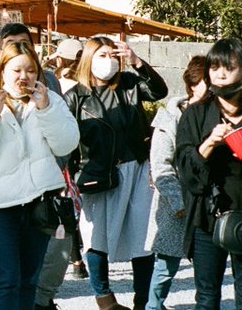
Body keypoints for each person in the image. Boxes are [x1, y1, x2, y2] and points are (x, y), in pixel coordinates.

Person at [0, 39, 80, 310]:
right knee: (7, 279)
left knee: (29, 279)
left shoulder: (50, 99)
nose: (24, 77)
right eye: (16, 71)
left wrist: (47, 109)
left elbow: (66, 144)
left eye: (31, 70)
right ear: (2, 72)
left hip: (39, 201)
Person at [66, 35, 167, 310]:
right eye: (101, 55)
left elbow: (159, 91)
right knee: (96, 238)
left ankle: (143, 300)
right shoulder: (75, 96)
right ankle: (104, 299)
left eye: (112, 55)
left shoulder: (129, 85)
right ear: (88, 58)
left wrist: (137, 62)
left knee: (142, 237)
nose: (108, 61)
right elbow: (66, 141)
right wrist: (71, 177)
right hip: (97, 173)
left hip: (136, 168)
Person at [176, 37, 242, 310]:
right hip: (208, 215)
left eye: (229, 66)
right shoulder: (196, 114)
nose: (221, 72)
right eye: (215, 66)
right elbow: (185, 169)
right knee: (206, 297)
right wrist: (209, 144)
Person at [144, 55, 205, 310]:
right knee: (165, 267)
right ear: (192, 84)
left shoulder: (223, 115)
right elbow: (161, 166)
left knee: (206, 267)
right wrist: (178, 202)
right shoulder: (169, 119)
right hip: (176, 203)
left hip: (206, 203)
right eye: (206, 82)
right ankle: (153, 306)